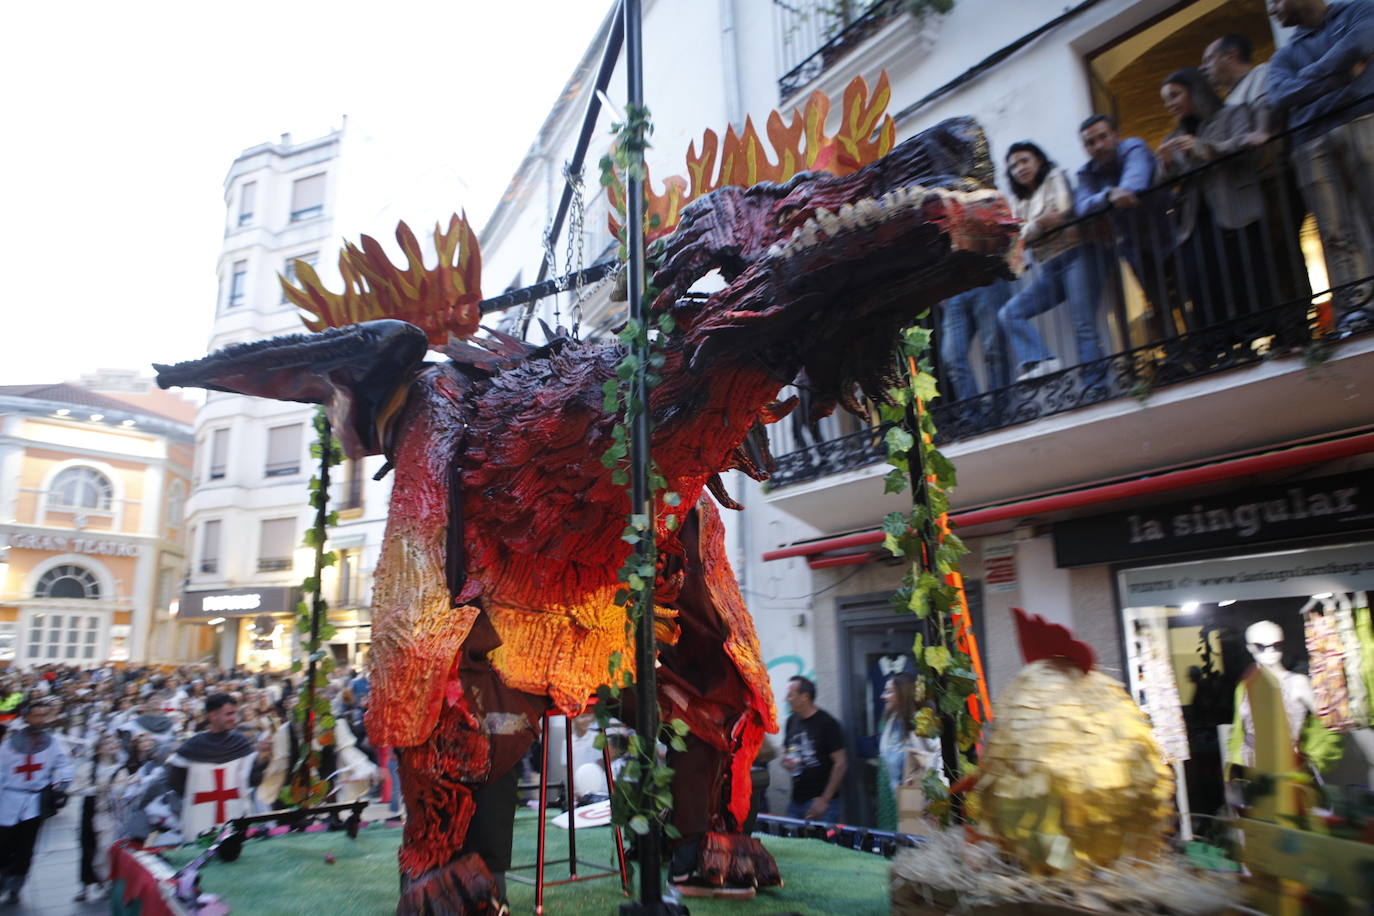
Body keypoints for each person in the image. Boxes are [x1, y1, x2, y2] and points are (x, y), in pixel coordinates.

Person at [1265, 0, 1374, 337]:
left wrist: (1308, 84)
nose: (1271, 10)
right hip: (1311, 144)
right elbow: (1280, 95)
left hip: (1363, 120)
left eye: (1275, 0)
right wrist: (1341, 74)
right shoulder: (1281, 58)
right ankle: (1357, 312)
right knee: (1335, 233)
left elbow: (1362, 43)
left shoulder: (1360, 10)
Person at [1202, 34, 1313, 320]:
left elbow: (1266, 106)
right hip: (1256, 184)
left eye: (1209, 59)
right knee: (1270, 257)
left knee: (1283, 252)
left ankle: (1299, 323)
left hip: (1274, 176)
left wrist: (1262, 132)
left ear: (1231, 54)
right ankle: (1288, 324)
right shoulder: (1229, 101)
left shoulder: (1260, 74)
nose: (1205, 68)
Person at [1156, 67, 1274, 325]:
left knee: (1249, 276)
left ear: (1194, 91)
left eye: (1175, 95)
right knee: (1203, 285)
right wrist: (1166, 165)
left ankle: (1272, 335)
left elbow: (1248, 147)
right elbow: (1164, 181)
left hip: (1235, 210)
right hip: (1194, 221)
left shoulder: (1233, 114)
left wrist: (1203, 148)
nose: (1170, 104)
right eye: (1166, 100)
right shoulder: (1174, 136)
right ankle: (1219, 348)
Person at [997, 141, 1111, 384]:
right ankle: (1042, 360)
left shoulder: (1056, 177)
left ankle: (1095, 386)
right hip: (1049, 267)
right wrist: (1040, 224)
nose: (1020, 168)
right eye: (1014, 166)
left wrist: (1032, 228)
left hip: (1077, 254)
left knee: (1083, 325)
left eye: (1024, 160)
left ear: (1038, 160)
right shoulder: (1018, 202)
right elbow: (1018, 236)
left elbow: (1062, 210)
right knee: (1010, 313)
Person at [1075, 114, 1181, 342]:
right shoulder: (1087, 173)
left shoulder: (1133, 147)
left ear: (1116, 135)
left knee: (1192, 291)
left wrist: (1108, 199)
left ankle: (1209, 350)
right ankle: (1178, 358)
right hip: (1137, 250)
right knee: (1159, 306)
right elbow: (1082, 207)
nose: (1098, 146)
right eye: (1090, 143)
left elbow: (1134, 184)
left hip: (1174, 236)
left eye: (1103, 137)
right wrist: (1109, 195)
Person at [164, 693, 269, 839]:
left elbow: (253, 780)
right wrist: (198, 802)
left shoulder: (240, 743)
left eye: (235, 713)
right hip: (200, 820)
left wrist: (262, 759)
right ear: (213, 716)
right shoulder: (193, 746)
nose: (234, 718)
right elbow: (175, 782)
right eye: (229, 714)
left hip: (234, 815)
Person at [0, 698, 74, 905]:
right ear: (26, 718)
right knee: (3, 844)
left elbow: (63, 765)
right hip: (7, 800)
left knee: (26, 847)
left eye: (44, 715)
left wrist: (62, 785)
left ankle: (16, 885)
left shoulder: (53, 743)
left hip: (33, 803)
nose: (41, 720)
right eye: (37, 715)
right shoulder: (8, 746)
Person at [780, 676, 846, 821]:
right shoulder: (791, 721)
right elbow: (785, 752)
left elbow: (840, 763)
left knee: (823, 843)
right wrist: (785, 762)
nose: (786, 699)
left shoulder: (827, 723)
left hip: (822, 804)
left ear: (805, 697)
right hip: (796, 801)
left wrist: (825, 800)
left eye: (790, 695)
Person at [938, 278, 1011, 402]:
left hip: (987, 279)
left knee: (994, 350)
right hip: (953, 289)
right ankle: (972, 416)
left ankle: (999, 410)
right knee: (952, 357)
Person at [73, 733, 123, 902]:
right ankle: (84, 886)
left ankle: (105, 881)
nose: (110, 746)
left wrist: (115, 788)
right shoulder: (88, 767)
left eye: (113, 743)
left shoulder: (119, 768)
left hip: (108, 814)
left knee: (105, 848)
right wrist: (97, 788)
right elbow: (77, 788)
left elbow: (120, 792)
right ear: (99, 748)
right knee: (87, 848)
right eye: (106, 743)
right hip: (91, 812)